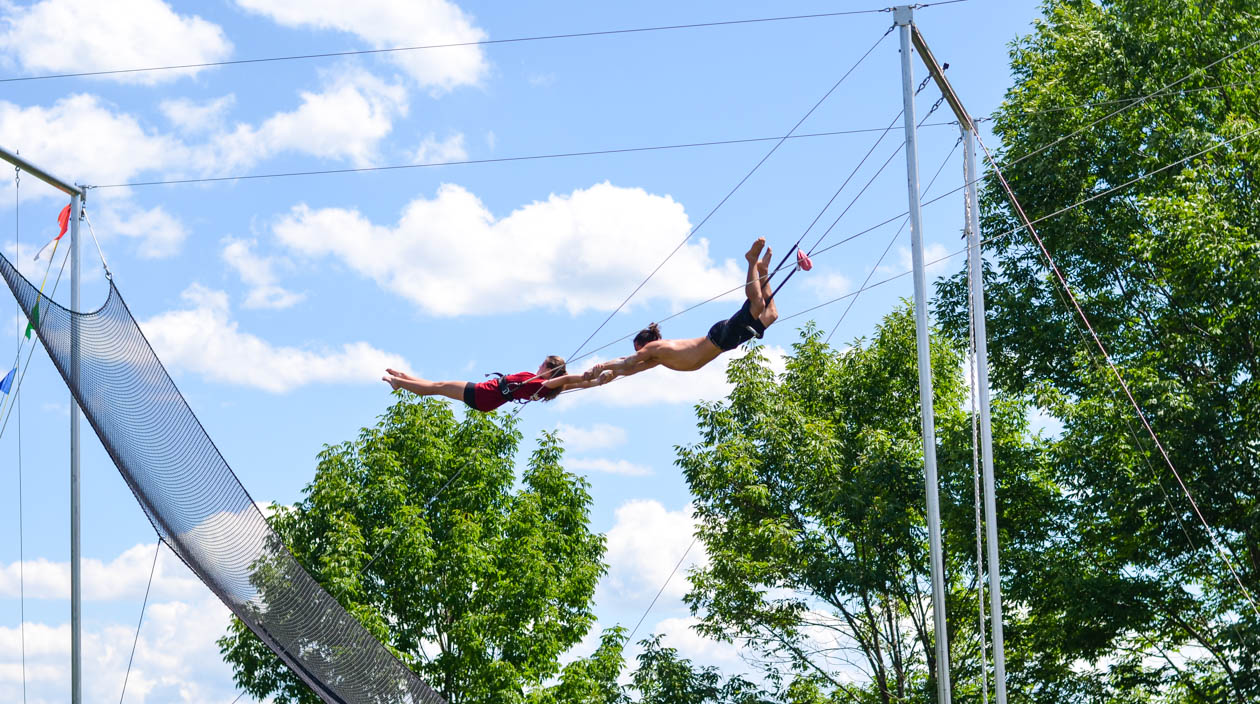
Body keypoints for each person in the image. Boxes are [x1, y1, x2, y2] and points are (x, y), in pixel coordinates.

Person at [583, 237, 780, 382]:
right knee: (771, 314)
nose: (639, 354)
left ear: (643, 345)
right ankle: (763, 272)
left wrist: (601, 366)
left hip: (719, 338)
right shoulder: (659, 358)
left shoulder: (654, 349)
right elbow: (631, 369)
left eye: (638, 349)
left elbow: (628, 361)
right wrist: (608, 374)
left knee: (758, 305)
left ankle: (752, 261)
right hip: (726, 342)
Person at [383, 355, 601, 412]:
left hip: (484, 394)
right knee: (438, 385)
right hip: (486, 396)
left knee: (437, 388)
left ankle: (398, 382)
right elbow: (578, 385)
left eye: (544, 364)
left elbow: (570, 380)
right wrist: (598, 380)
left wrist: (588, 374)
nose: (539, 365)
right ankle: (403, 376)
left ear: (549, 369)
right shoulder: (542, 386)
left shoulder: (544, 385)